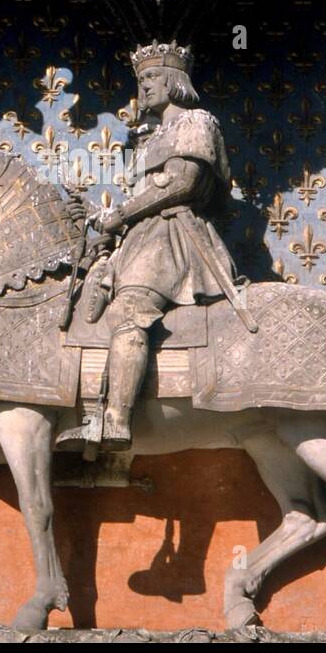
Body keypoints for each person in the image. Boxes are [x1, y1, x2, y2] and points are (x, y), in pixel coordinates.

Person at [78, 41, 244, 451]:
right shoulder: (152, 136)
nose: (144, 87)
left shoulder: (196, 122)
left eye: (151, 78)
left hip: (173, 237)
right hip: (139, 238)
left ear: (174, 81)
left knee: (132, 310)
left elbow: (184, 182)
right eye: (141, 80)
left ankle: (116, 419)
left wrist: (122, 214)